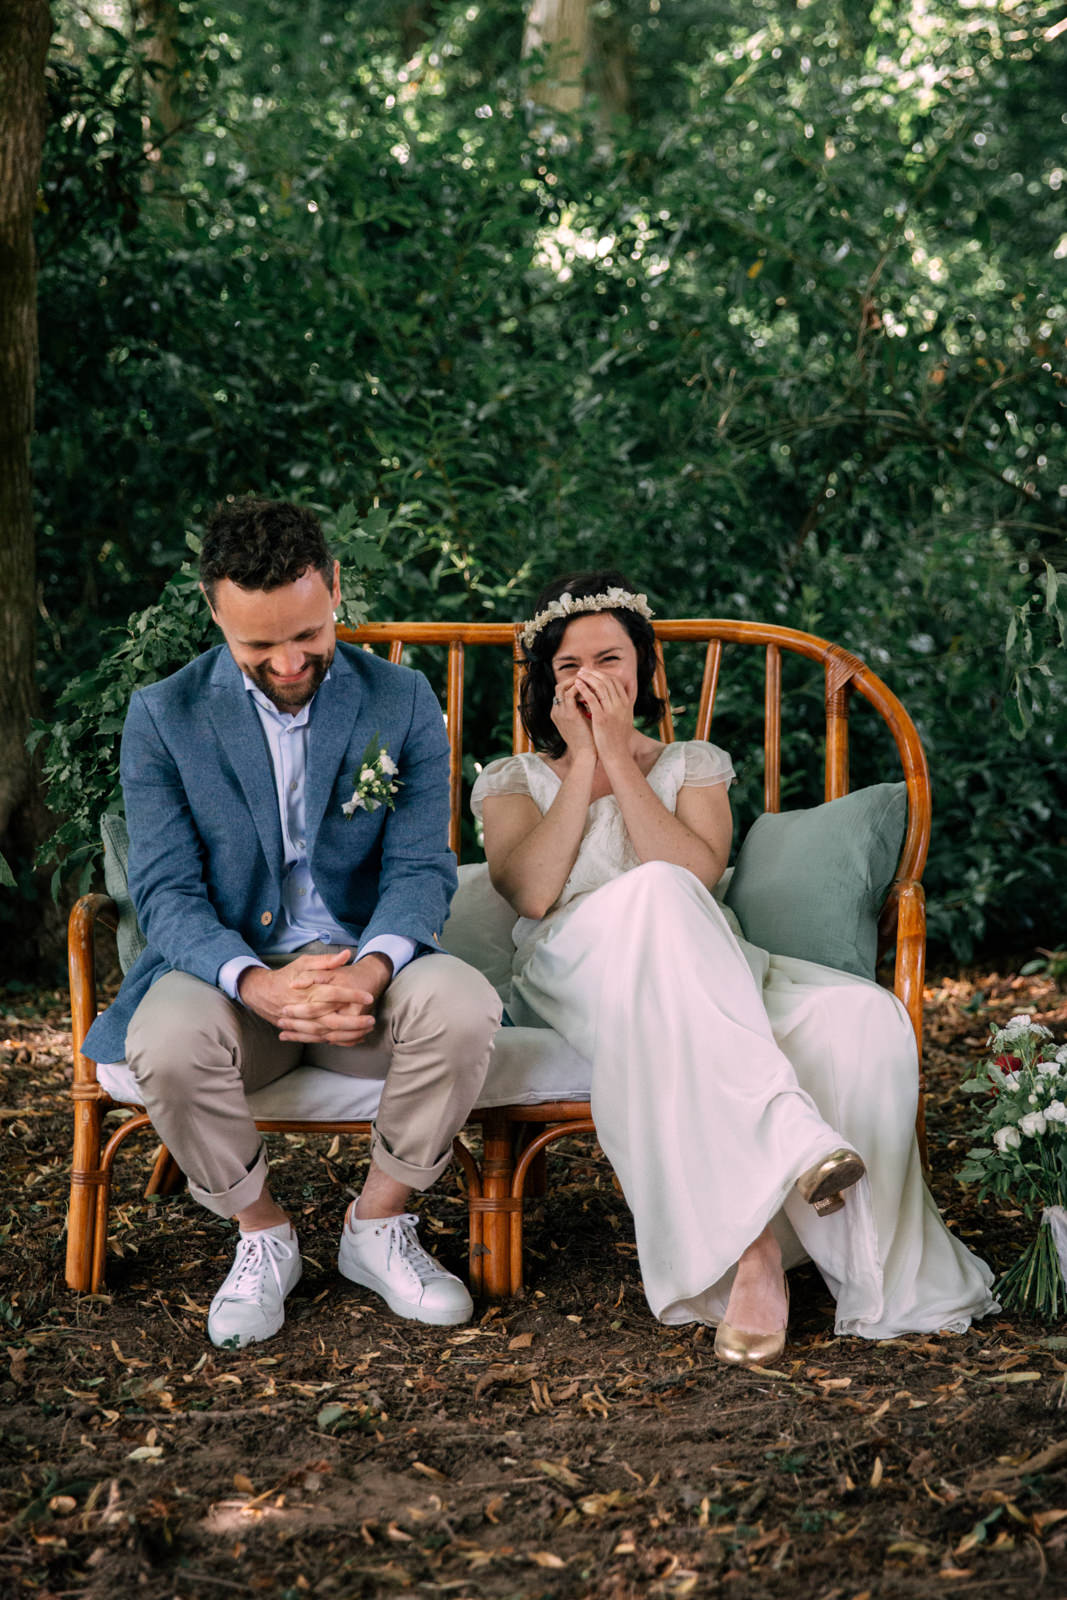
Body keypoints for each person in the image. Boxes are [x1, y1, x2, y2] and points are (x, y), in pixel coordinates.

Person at [472, 571, 997, 1365]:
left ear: (644, 672)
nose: (589, 679)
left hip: (702, 959)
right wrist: (584, 762)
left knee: (853, 1016)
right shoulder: (513, 780)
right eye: (569, 665)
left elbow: (691, 871)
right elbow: (532, 894)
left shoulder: (692, 763)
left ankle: (870, 1279)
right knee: (648, 894)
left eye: (608, 660)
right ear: (546, 683)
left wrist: (622, 755)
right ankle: (756, 1239)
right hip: (575, 965)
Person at [83, 498, 502, 1349]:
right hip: (232, 981)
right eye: (258, 645)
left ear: (335, 588)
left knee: (462, 1006)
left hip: (366, 982)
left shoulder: (402, 698)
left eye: (307, 635)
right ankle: (262, 1233)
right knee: (164, 1042)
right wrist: (258, 984)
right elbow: (166, 893)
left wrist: (370, 972)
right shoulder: (163, 715)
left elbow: (420, 868)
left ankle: (376, 1225)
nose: (286, 662)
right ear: (214, 612)